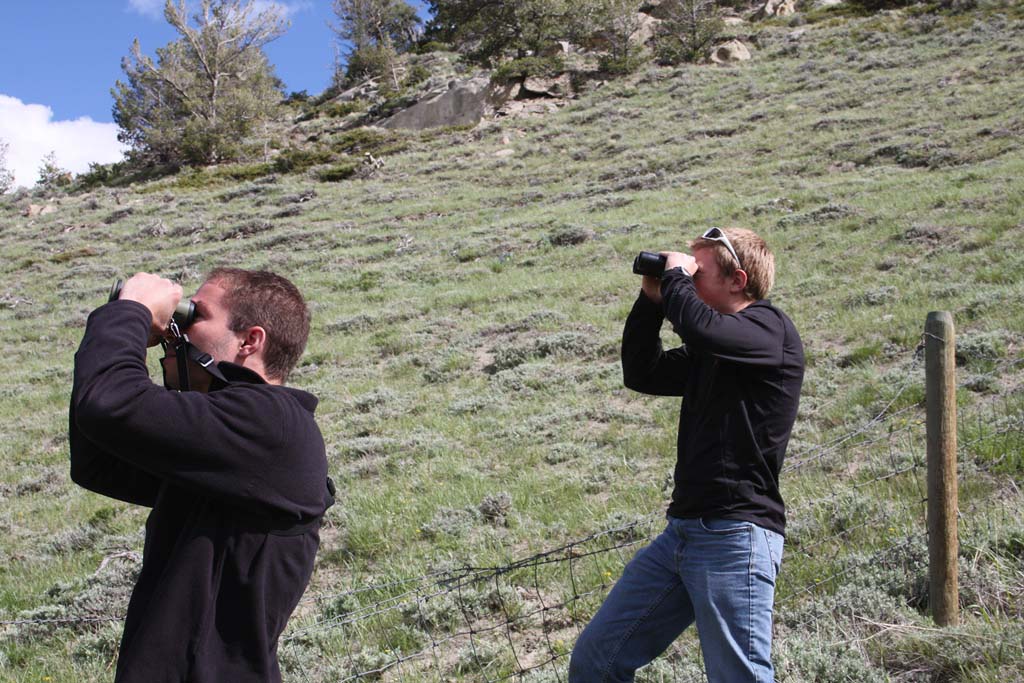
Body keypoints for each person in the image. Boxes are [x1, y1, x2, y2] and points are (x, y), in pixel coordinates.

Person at [69, 268, 335, 682]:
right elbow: (98, 459)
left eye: (196, 316)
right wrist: (125, 326)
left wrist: (133, 313)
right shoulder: (233, 446)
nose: (181, 328)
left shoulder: (271, 423)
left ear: (251, 340)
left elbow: (108, 404)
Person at [569, 228, 804, 683]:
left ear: (737, 280)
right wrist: (651, 301)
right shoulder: (713, 350)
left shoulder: (770, 331)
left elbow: (701, 326)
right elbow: (643, 371)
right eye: (687, 272)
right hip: (681, 535)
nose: (688, 280)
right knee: (597, 661)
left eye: (698, 273)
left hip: (736, 536)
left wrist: (675, 278)